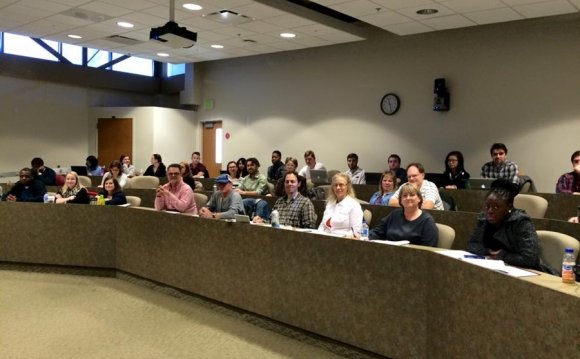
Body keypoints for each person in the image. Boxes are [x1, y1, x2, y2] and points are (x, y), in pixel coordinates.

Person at [467, 179, 552, 272]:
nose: (490, 211)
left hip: (529, 272)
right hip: (497, 268)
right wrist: (488, 252)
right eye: (487, 206)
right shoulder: (484, 218)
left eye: (496, 207)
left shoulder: (521, 221)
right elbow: (472, 245)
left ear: (509, 207)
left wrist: (502, 256)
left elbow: (531, 260)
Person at [369, 183, 438, 246]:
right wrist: (364, 237)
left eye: (412, 195)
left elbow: (429, 250)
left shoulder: (427, 221)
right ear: (401, 200)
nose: (408, 198)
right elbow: (377, 232)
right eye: (404, 196)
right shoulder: (394, 214)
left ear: (419, 199)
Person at [318, 173, 363, 237]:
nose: (338, 187)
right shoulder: (330, 203)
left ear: (348, 187)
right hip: (325, 239)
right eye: (335, 185)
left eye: (341, 185)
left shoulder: (354, 205)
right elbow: (322, 225)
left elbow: (356, 233)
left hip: (343, 241)